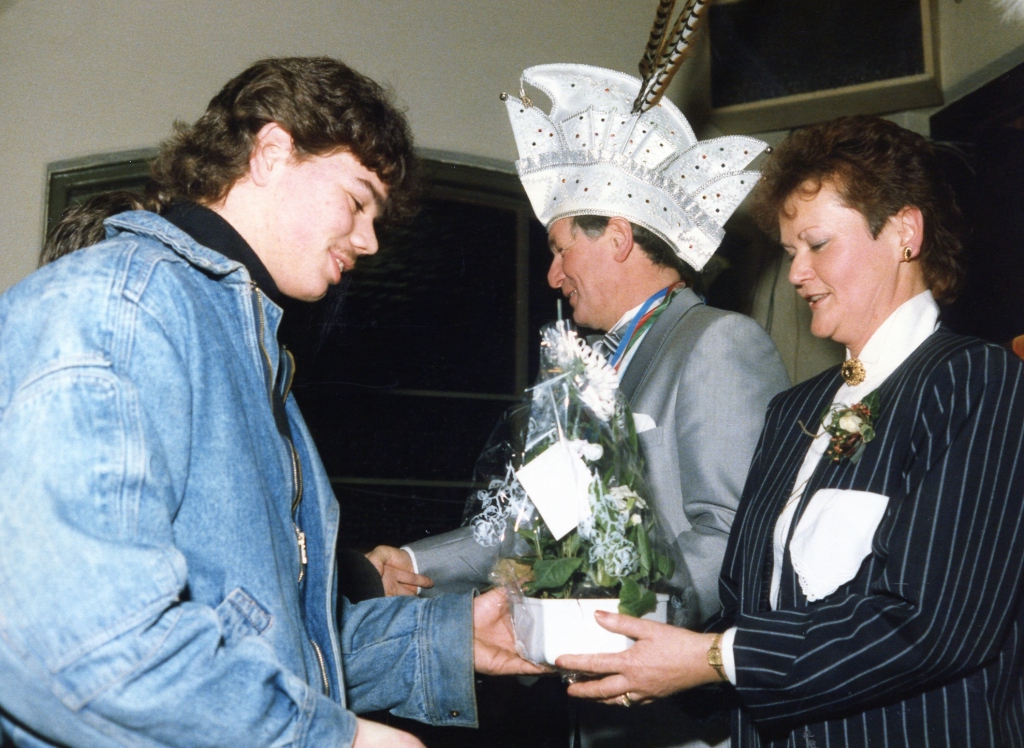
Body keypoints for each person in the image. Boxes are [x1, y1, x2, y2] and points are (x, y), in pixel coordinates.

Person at [0, 57, 542, 748]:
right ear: (272, 152)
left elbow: (275, 640)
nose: (370, 241)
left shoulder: (251, 358)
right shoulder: (121, 310)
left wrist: (444, 639)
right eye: (358, 201)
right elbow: (73, 639)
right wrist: (330, 740)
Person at [557, 115, 1024, 747]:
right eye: (789, 252)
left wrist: (710, 659)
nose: (798, 272)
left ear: (905, 233)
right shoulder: (793, 411)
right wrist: (643, 651)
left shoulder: (976, 381)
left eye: (818, 244)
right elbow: (750, 611)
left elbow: (931, 624)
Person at [368, 63, 789, 747]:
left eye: (562, 249)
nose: (552, 274)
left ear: (617, 238)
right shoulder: (581, 369)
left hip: (684, 722)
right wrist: (414, 567)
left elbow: (733, 533)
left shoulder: (717, 342)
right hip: (593, 715)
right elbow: (527, 528)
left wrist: (615, 617)